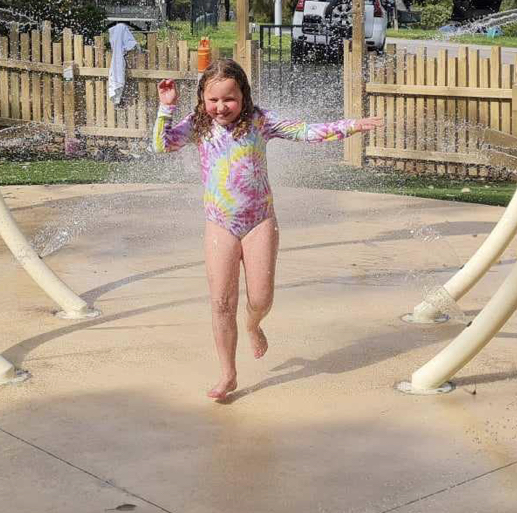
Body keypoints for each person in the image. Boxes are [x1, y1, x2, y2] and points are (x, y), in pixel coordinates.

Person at [153, 59, 381, 400]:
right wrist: (166, 108)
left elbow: (306, 131)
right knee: (221, 302)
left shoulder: (260, 121)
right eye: (212, 100)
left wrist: (352, 126)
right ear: (202, 99)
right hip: (220, 223)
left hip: (259, 221)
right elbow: (161, 144)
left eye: (228, 99)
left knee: (260, 298)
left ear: (243, 95)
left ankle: (253, 325)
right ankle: (228, 373)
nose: (220, 107)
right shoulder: (198, 125)